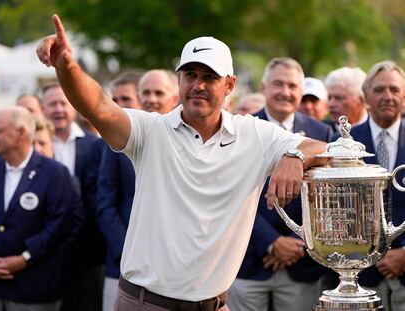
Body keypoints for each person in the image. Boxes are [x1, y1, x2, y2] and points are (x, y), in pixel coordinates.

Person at [36, 15, 328, 311]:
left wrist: (296, 155)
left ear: (230, 85)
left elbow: (327, 148)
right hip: (146, 303)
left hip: (213, 305)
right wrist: (68, 67)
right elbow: (98, 106)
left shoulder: (254, 134)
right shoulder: (151, 131)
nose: (198, 85)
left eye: (210, 77)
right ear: (179, 79)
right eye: (190, 74)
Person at [228, 58, 332, 311]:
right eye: (278, 84)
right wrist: (272, 242)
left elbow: (325, 201)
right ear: (263, 88)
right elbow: (230, 196)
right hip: (248, 261)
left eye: (292, 86)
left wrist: (293, 243)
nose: (285, 92)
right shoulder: (239, 130)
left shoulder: (323, 135)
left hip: (301, 262)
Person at [0, 106, 74, 311]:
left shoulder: (54, 173)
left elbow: (58, 226)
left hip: (34, 291)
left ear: (20, 133)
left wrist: (24, 258)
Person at [344, 60, 405, 311]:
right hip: (359, 275)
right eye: (379, 90)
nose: (387, 96)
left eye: (394, 89)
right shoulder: (344, 140)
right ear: (365, 96)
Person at [41, 82, 104, 311]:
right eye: (52, 104)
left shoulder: (94, 144)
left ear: (74, 107)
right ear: (42, 108)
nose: (58, 109)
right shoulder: (35, 145)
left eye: (63, 103)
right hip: (43, 253)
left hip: (85, 254)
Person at [96, 70, 142, 311]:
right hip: (121, 262)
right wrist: (127, 251)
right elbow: (105, 203)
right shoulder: (111, 145)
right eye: (115, 99)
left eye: (126, 99)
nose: (120, 105)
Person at [325, 67, 368, 132]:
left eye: (339, 98)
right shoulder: (319, 132)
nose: (331, 104)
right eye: (329, 98)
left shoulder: (377, 129)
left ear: (361, 100)